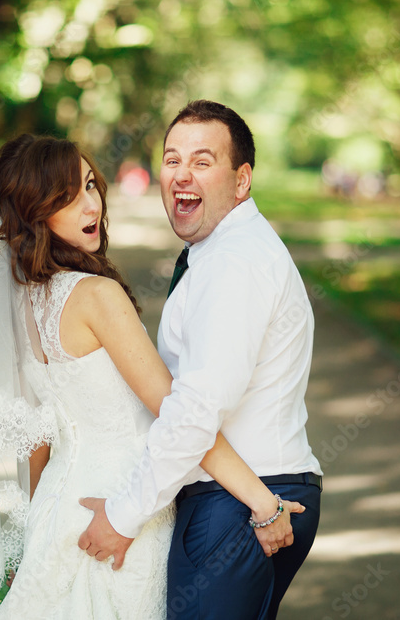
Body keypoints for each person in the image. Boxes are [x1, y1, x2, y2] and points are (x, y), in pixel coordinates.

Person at [0, 134, 303, 619]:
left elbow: (37, 440)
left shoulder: (26, 301)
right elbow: (175, 410)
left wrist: (36, 526)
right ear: (36, 212)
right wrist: (265, 502)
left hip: (60, 505)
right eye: (67, 197)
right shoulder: (95, 295)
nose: (91, 205)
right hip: (122, 506)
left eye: (91, 186)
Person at [79, 100, 324, 619]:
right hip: (256, 498)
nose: (181, 175)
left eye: (202, 161)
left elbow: (193, 411)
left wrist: (123, 517)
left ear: (241, 181)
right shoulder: (221, 252)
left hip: (238, 508)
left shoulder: (234, 264)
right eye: (171, 160)